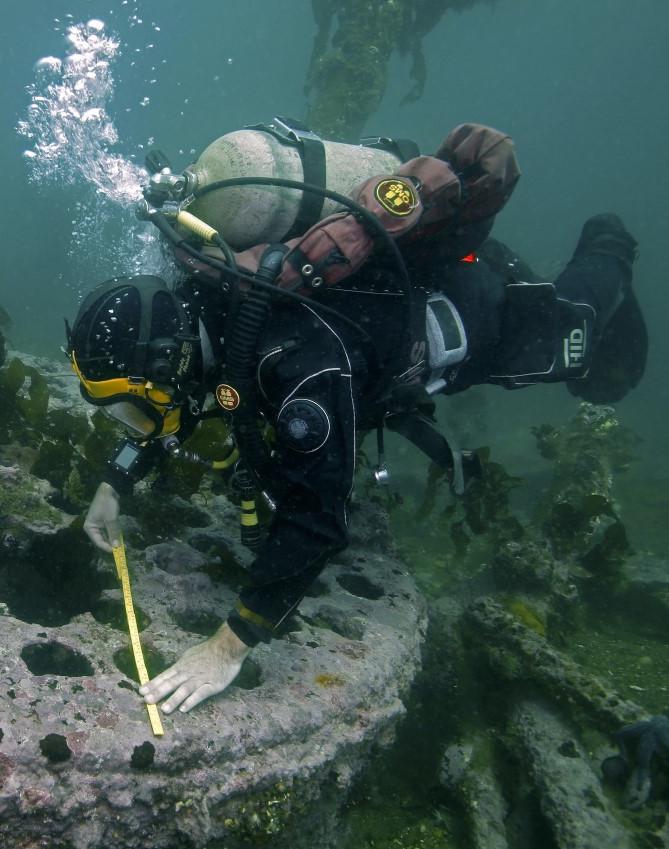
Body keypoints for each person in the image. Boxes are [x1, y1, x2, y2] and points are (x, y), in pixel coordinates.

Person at [64, 122, 646, 717]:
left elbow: (318, 522)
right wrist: (116, 482)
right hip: (395, 289)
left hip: (475, 310)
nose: (138, 418)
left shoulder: (296, 370)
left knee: (582, 343)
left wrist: (227, 647)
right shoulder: (204, 296)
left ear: (172, 358)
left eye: (130, 402)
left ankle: (609, 243)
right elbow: (178, 406)